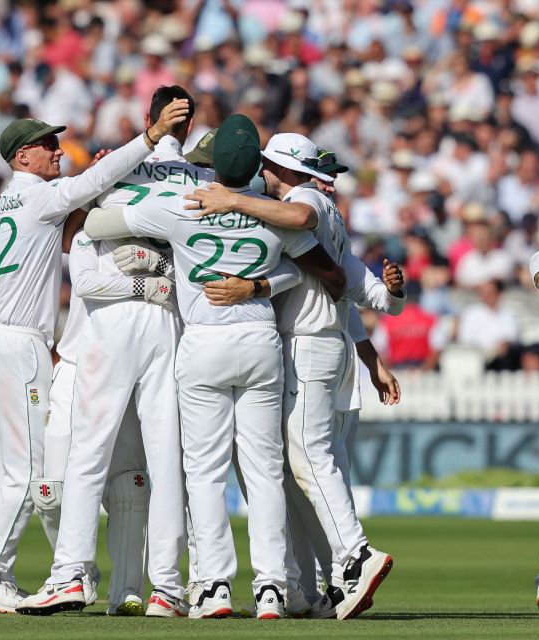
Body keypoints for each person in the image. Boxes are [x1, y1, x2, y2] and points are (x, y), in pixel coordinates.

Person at [82, 114, 347, 620]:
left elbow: (98, 223)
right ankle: (270, 586)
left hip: (203, 340)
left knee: (203, 473)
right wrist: (261, 285)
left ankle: (214, 588)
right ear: (257, 165)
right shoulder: (272, 211)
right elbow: (316, 269)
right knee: (265, 471)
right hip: (260, 339)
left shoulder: (180, 205)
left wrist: (112, 189)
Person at [0, 99, 190, 614]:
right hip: (21, 344)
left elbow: (71, 227)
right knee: (31, 470)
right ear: (21, 159)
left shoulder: (6, 204)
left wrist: (100, 184)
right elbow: (90, 186)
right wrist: (147, 140)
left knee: (2, 472)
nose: (58, 151)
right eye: (46, 146)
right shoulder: (38, 197)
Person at [183, 132, 395, 619]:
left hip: (305, 341)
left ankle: (355, 556)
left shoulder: (303, 199)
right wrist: (371, 347)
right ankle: (307, 584)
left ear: (281, 166)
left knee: (309, 461)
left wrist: (232, 199)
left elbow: (301, 227)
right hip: (324, 342)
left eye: (268, 166)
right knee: (289, 471)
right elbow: (353, 287)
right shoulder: (328, 212)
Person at [18, 86, 201, 617]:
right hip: (167, 320)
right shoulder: (199, 181)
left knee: (89, 454)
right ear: (186, 128)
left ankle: (70, 573)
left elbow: (85, 268)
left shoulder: (115, 169)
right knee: (166, 457)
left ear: (151, 120)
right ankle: (167, 586)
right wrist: (162, 278)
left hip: (110, 324)